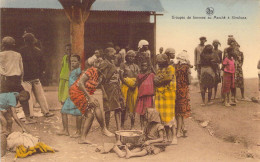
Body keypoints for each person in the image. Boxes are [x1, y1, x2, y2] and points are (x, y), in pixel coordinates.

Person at [69, 58, 114, 144]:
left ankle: (100, 130)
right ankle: (102, 130)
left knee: (94, 108)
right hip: (76, 92)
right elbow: (80, 83)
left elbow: (97, 86)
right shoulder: (91, 71)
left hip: (83, 93)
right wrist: (90, 97)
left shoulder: (99, 76)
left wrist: (98, 95)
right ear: (104, 68)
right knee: (91, 113)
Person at [0, 36, 35, 124]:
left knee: (3, 99)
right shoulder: (17, 54)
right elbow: (21, 69)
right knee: (23, 97)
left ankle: (5, 119)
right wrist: (21, 79)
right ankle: (28, 118)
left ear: (3, 45)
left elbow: (1, 70)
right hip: (16, 79)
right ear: (13, 45)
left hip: (5, 79)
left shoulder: (0, 54)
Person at [19, 33, 54, 117]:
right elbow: (43, 65)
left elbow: (19, 64)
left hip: (26, 77)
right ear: (33, 41)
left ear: (25, 41)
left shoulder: (21, 51)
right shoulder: (38, 51)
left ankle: (30, 114)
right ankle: (46, 111)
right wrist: (39, 73)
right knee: (40, 95)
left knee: (28, 97)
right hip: (36, 76)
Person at [154, 54, 177, 144]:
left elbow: (168, 78)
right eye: (158, 62)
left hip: (168, 95)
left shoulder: (170, 68)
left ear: (164, 61)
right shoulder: (159, 69)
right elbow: (155, 80)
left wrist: (159, 80)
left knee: (169, 116)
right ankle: (167, 137)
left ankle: (174, 137)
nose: (159, 64)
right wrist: (158, 80)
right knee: (162, 116)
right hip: (160, 95)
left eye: (160, 62)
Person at [100, 47, 124, 131]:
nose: (114, 54)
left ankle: (118, 128)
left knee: (118, 108)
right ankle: (106, 128)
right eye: (112, 52)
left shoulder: (112, 63)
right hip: (108, 88)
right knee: (108, 109)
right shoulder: (104, 63)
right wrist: (104, 93)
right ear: (107, 54)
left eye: (114, 52)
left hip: (115, 88)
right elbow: (101, 81)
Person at [57, 55, 82, 137]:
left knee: (78, 113)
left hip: (76, 94)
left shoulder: (78, 71)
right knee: (64, 111)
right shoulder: (74, 70)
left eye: (75, 61)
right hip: (71, 94)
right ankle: (66, 130)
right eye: (71, 61)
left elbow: (81, 82)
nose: (72, 63)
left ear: (79, 62)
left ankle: (78, 132)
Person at [120, 50, 139, 129]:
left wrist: (135, 84)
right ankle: (122, 125)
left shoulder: (136, 66)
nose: (131, 58)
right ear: (126, 57)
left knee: (133, 106)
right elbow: (121, 77)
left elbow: (138, 77)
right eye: (130, 56)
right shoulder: (123, 65)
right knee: (124, 106)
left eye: (133, 56)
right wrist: (128, 84)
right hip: (125, 86)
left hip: (134, 87)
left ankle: (132, 125)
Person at [175, 51, 192, 137]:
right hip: (183, 90)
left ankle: (180, 129)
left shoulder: (175, 66)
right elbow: (189, 81)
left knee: (177, 110)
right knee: (181, 111)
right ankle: (182, 128)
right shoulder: (186, 67)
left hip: (175, 89)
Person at [135, 62, 155, 129]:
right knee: (141, 112)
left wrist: (153, 69)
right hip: (141, 96)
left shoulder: (151, 75)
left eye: (145, 66)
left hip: (149, 96)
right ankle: (142, 127)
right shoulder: (139, 75)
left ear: (148, 67)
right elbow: (137, 85)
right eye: (143, 66)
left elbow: (156, 80)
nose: (144, 67)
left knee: (148, 112)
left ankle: (147, 127)